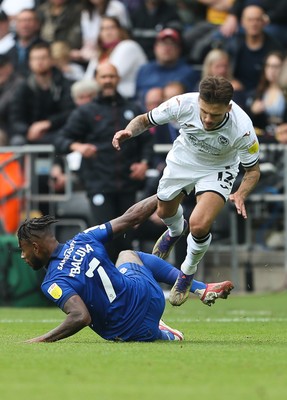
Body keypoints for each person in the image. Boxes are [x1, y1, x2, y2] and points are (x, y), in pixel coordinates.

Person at [112, 75, 260, 307]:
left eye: (216, 114)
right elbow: (144, 120)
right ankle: (175, 230)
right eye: (204, 112)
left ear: (228, 108)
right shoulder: (182, 104)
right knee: (163, 212)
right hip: (183, 160)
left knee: (199, 224)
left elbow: (253, 171)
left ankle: (186, 273)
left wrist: (240, 193)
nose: (208, 119)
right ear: (198, 100)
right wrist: (129, 132)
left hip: (218, 168)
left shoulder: (243, 129)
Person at [17, 194, 234, 343]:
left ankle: (160, 333)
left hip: (130, 332)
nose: (22, 256)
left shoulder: (52, 281)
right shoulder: (84, 238)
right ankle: (198, 288)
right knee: (128, 255)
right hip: (151, 297)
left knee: (125, 263)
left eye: (23, 250)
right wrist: (166, 192)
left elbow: (80, 317)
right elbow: (133, 217)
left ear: (35, 247)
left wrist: (40, 340)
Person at [54, 62, 154, 262]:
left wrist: (144, 163)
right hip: (99, 183)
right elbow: (61, 139)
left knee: (127, 238)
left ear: (118, 79)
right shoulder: (86, 112)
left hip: (127, 184)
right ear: (97, 80)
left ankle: (130, 284)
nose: (108, 81)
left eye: (112, 76)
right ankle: (107, 287)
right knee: (105, 237)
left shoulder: (132, 108)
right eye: (104, 77)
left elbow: (147, 141)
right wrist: (78, 147)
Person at [9, 41, 75, 146]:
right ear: (29, 62)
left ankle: (57, 163)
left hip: (56, 131)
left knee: (63, 139)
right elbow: (15, 118)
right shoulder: (23, 87)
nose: (39, 62)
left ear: (51, 60)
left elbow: (70, 112)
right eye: (35, 58)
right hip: (29, 134)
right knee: (17, 141)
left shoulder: (64, 84)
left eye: (43, 58)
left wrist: (48, 123)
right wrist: (28, 130)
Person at [223, 4, 284, 97]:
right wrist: (231, 81)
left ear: (264, 22)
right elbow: (223, 69)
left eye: (258, 20)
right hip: (237, 93)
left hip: (264, 95)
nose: (254, 23)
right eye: (250, 20)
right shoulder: (233, 45)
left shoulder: (274, 47)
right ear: (242, 22)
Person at [84, 16, 147, 99]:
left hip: (130, 99)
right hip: (107, 98)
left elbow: (110, 75)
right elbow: (86, 79)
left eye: (111, 27)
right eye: (103, 29)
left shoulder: (128, 46)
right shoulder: (101, 53)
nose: (107, 32)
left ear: (120, 30)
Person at [135, 27, 199, 109]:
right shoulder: (144, 70)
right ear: (155, 47)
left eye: (172, 44)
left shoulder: (189, 72)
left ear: (179, 49)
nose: (167, 48)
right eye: (163, 43)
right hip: (143, 115)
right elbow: (135, 98)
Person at [4, 8, 44, 78]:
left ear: (37, 24)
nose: (25, 25)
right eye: (21, 21)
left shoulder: (45, 48)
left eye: (29, 21)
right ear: (16, 25)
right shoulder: (7, 50)